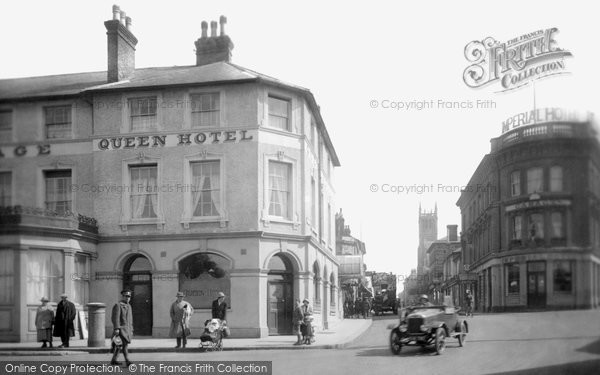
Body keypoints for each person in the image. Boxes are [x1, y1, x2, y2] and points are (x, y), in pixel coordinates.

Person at [111, 290, 133, 366]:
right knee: (124, 345)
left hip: (127, 329)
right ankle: (128, 361)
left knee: (119, 345)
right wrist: (116, 328)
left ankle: (114, 360)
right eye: (126, 296)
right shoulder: (118, 305)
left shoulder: (129, 306)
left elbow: (130, 319)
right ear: (122, 296)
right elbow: (115, 318)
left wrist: (131, 329)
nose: (127, 298)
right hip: (121, 329)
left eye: (129, 296)